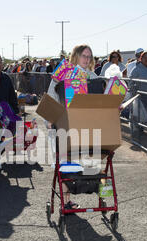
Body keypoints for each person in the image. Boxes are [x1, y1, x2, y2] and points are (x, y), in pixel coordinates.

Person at [46, 44, 98, 210]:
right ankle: (66, 201)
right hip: (63, 124)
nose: (87, 59)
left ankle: (75, 197)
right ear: (75, 56)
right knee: (66, 162)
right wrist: (50, 118)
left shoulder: (93, 76)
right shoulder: (64, 73)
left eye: (89, 56)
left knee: (81, 163)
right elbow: (51, 95)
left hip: (86, 127)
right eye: (84, 55)